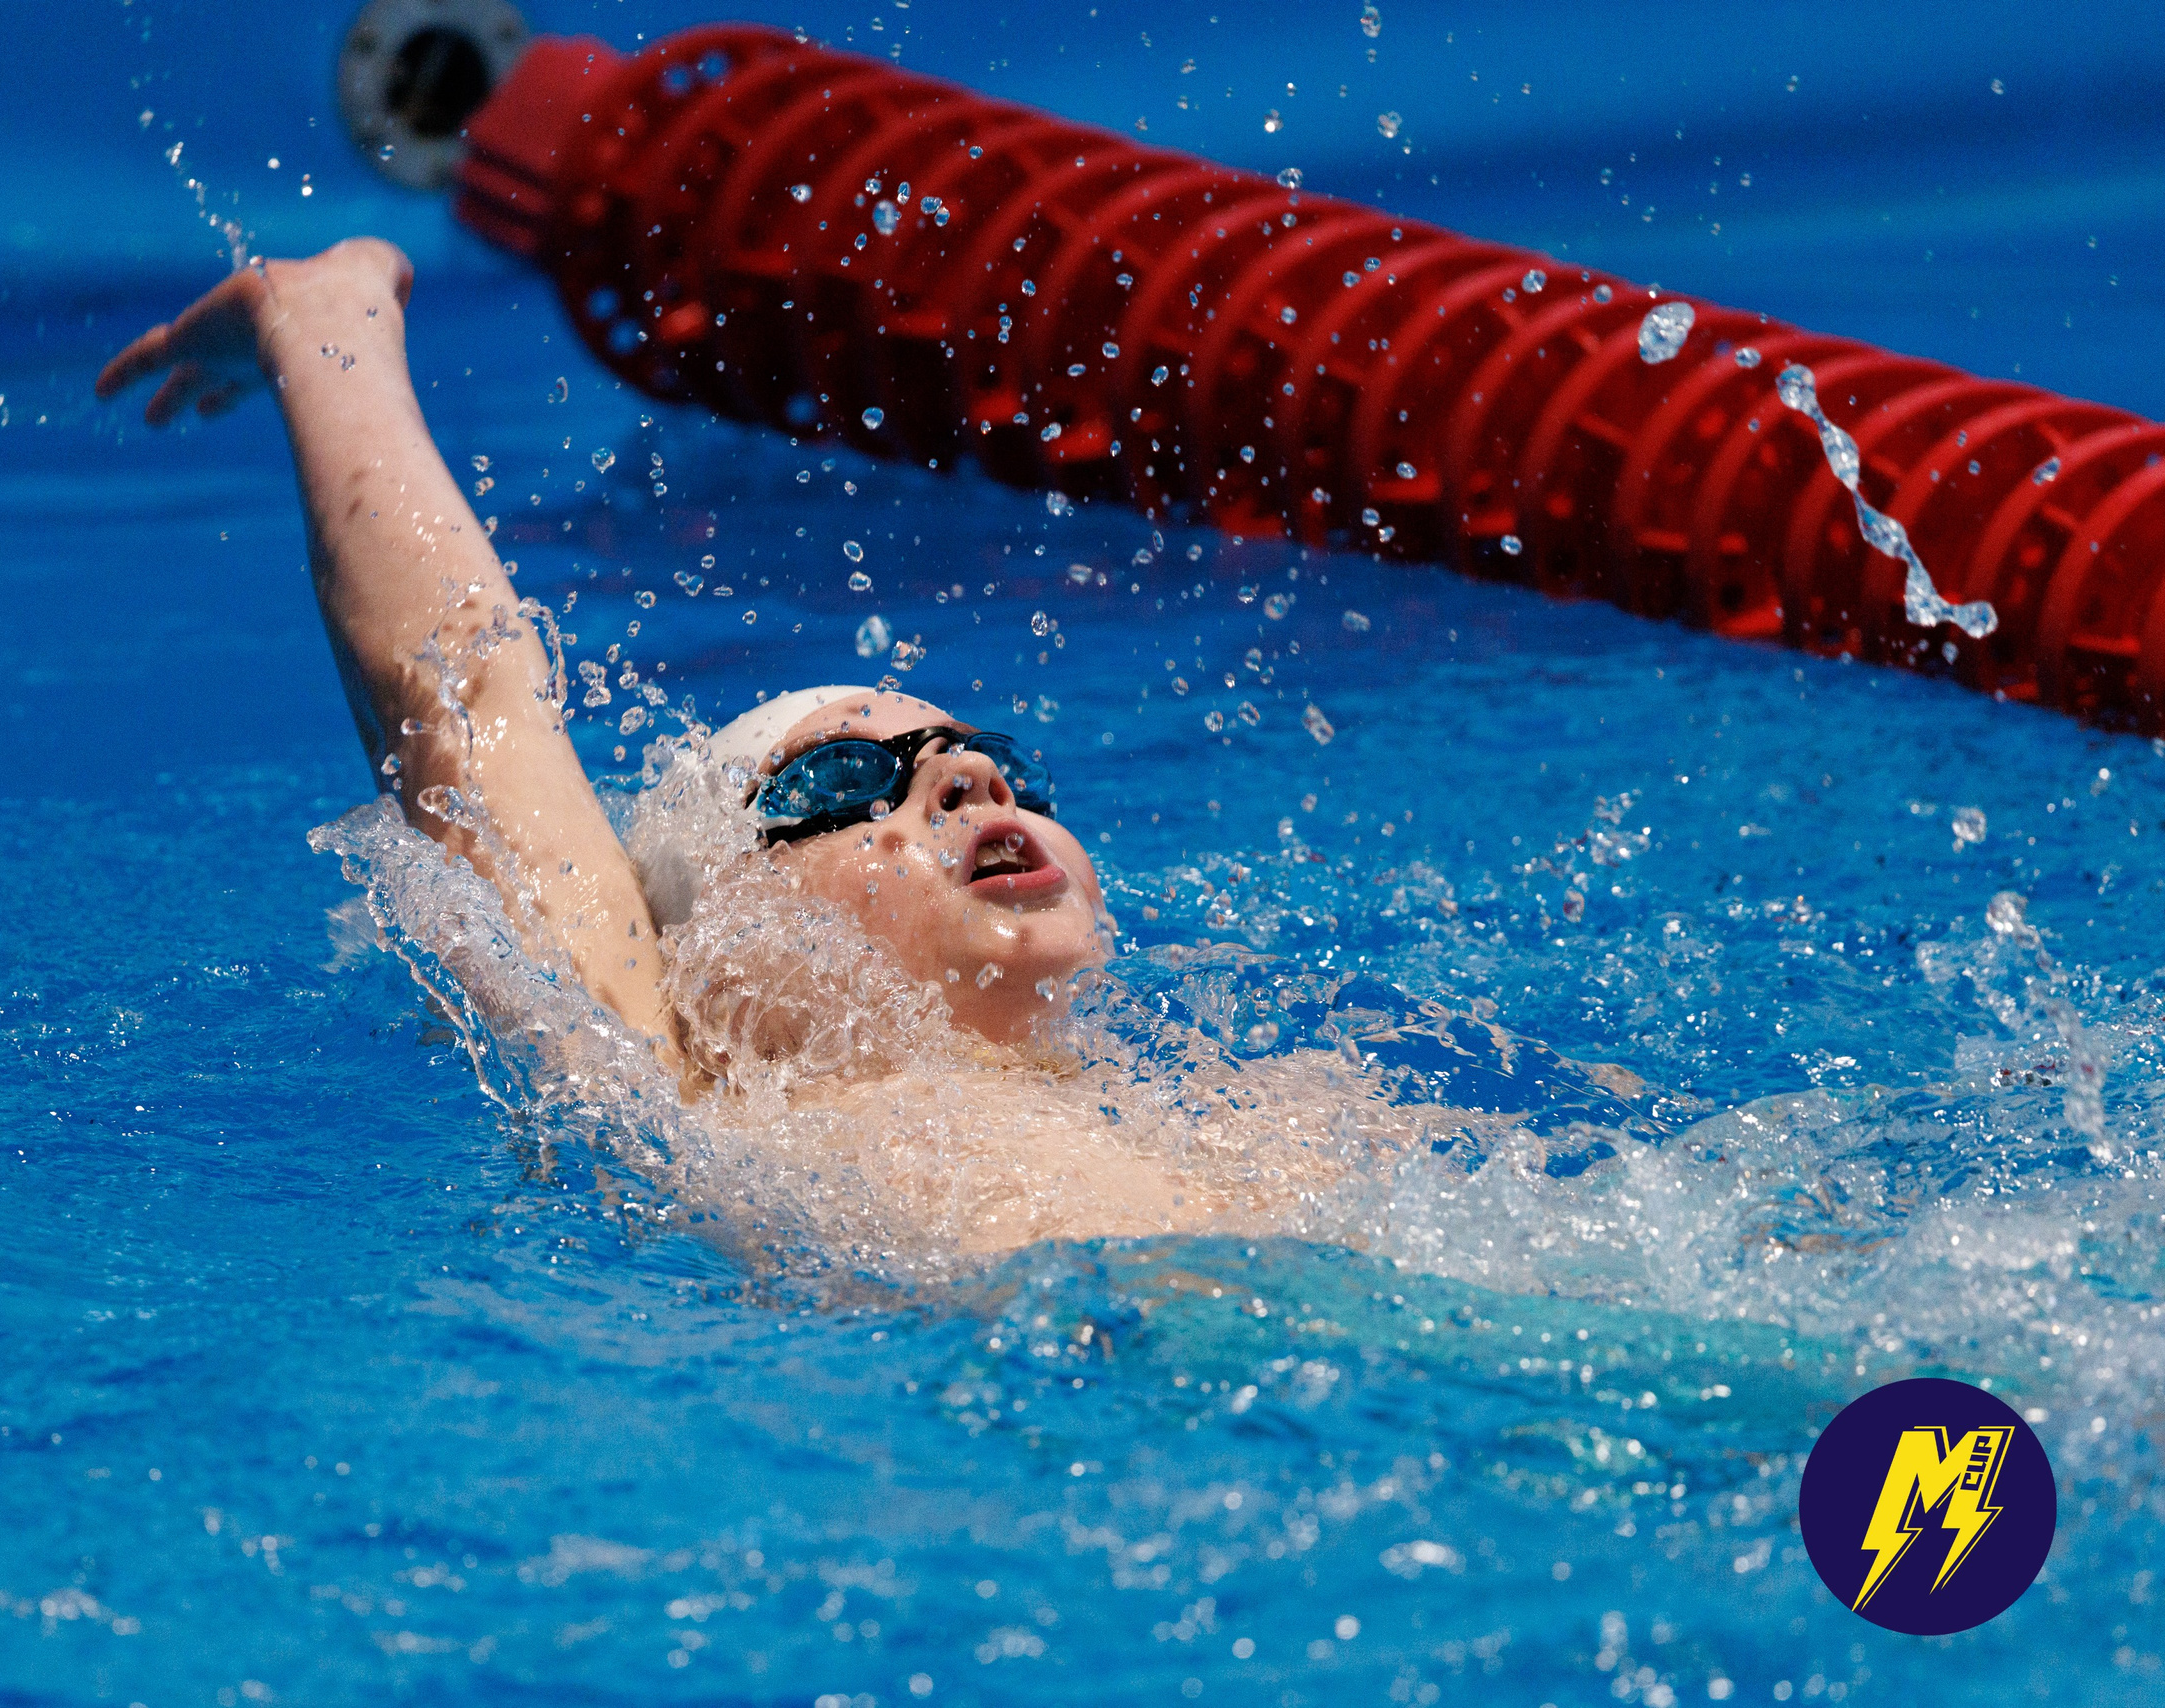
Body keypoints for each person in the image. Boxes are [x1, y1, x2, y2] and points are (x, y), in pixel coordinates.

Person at [98, 239, 1441, 1264]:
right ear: (710, 957)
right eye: (841, 786)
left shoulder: (1275, 1113)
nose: (965, 781)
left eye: (991, 762)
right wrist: (329, 335)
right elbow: (460, 695)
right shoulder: (690, 1098)